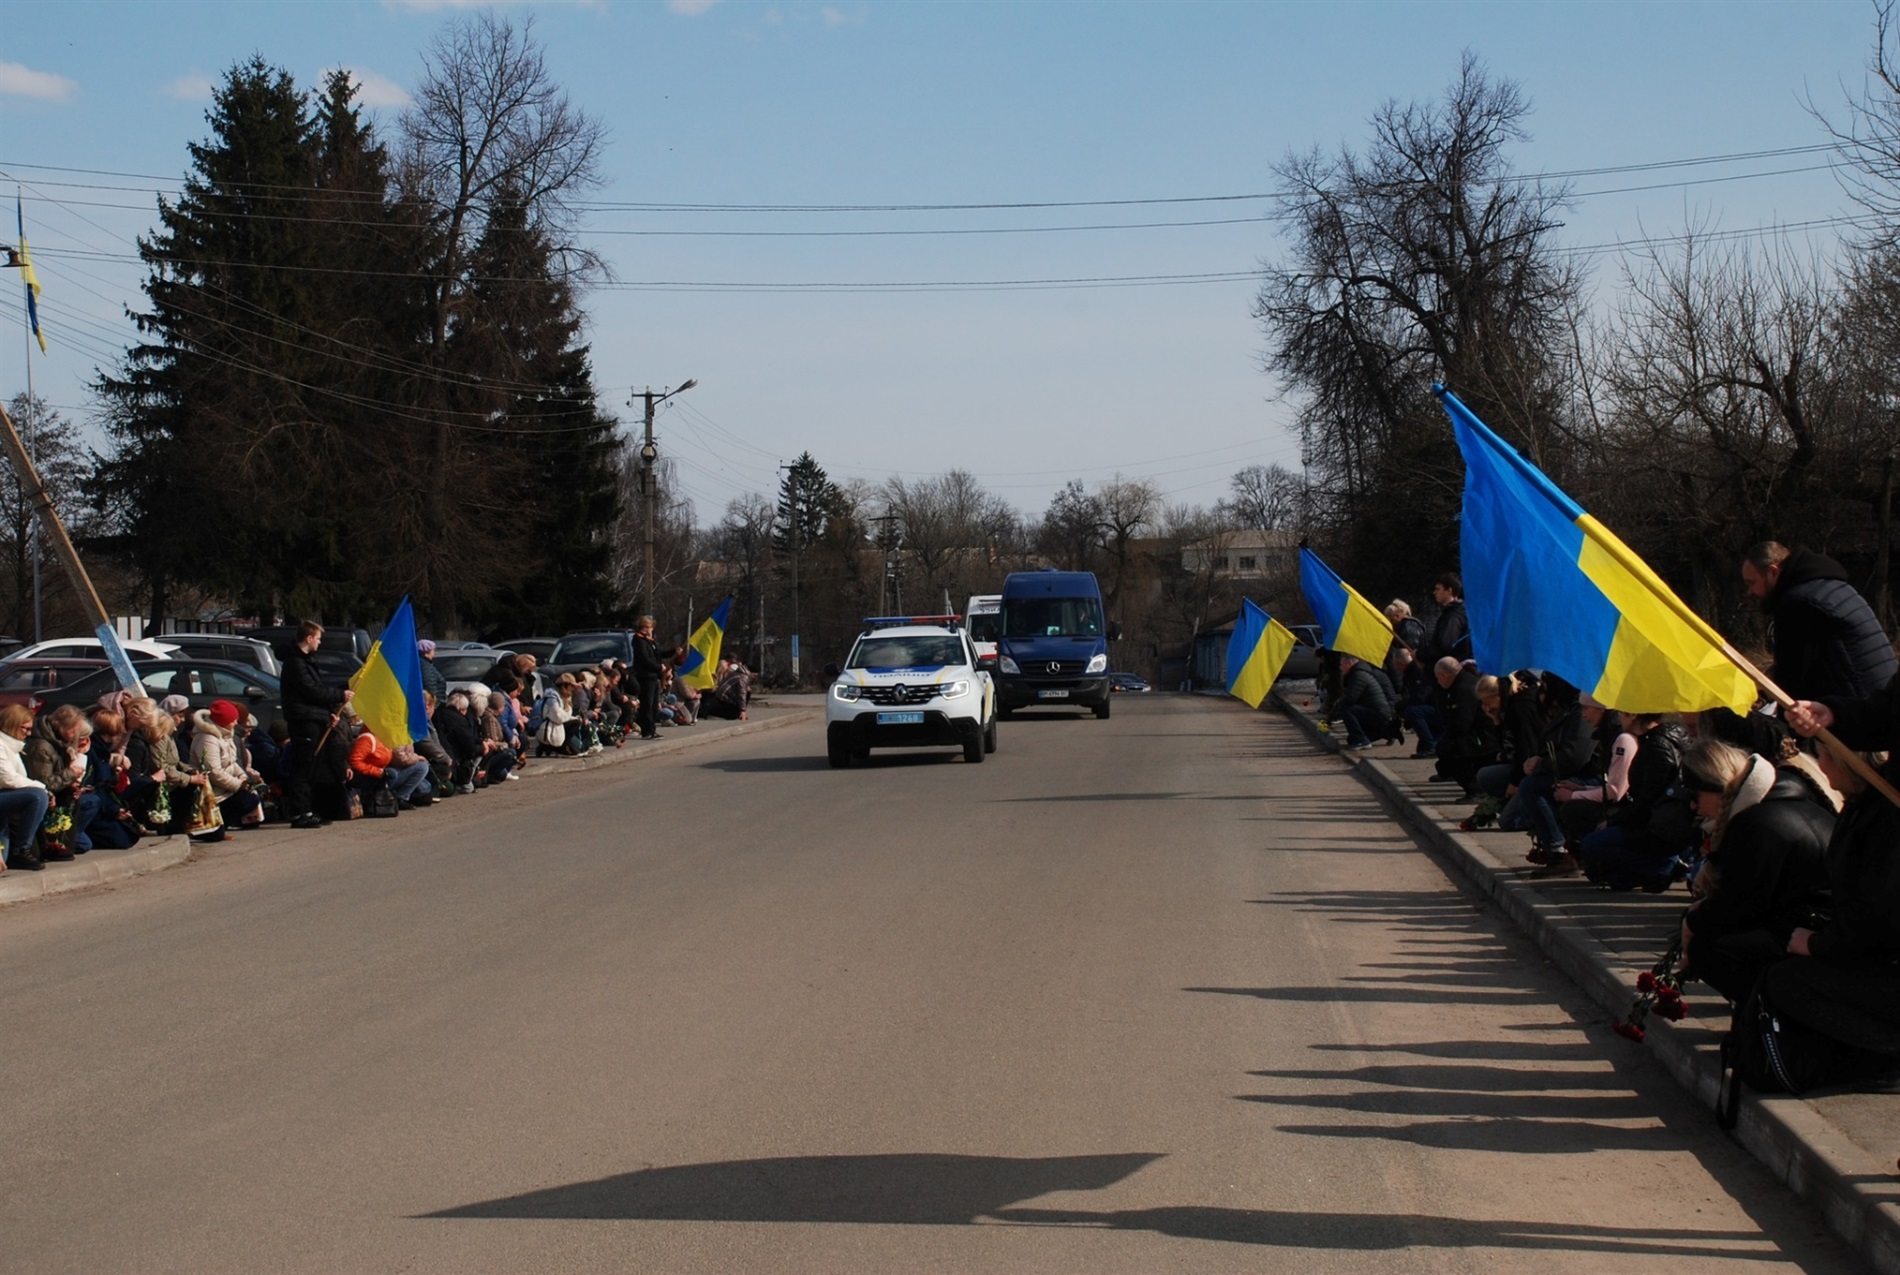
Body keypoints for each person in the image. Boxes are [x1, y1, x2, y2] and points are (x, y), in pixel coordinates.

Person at [1675, 740, 1835, 1003]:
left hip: (1814, 929)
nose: (1693, 806)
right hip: (1810, 918)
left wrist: (1692, 923)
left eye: (1694, 796)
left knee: (1707, 950)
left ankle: (1767, 1014)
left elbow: (1740, 906)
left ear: (1715, 788)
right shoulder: (1778, 799)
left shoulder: (1758, 823)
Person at [1744, 541, 1895, 703]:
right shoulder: (1829, 586)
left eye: (1751, 583)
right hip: (1884, 698)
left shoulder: (1799, 604)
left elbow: (1793, 683)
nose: (1749, 592)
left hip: (1863, 709)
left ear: (1772, 572)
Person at [1572, 710, 1695, 891]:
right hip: (1658, 819)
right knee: (1616, 880)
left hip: (1658, 824)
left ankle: (1664, 865)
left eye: (1622, 713)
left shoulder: (1657, 746)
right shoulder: (1655, 739)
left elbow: (1646, 799)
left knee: (1592, 844)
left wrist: (1614, 821)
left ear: (1633, 714)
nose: (1618, 718)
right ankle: (1652, 870)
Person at [282, 620, 353, 828]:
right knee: (302, 766)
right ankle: (299, 812)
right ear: (309, 638)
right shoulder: (295, 663)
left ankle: (309, 809)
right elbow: (311, 691)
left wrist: (327, 713)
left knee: (312, 767)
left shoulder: (306, 660)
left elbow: (315, 692)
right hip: (303, 721)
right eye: (319, 639)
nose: (320, 643)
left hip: (313, 718)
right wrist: (340, 694)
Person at [23, 703, 101, 858]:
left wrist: (72, 784)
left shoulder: (58, 742)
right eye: (74, 730)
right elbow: (44, 781)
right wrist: (71, 773)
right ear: (63, 726)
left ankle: (64, 844)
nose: (76, 734)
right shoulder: (42, 746)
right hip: (46, 797)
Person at [189, 700, 263, 830]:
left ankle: (222, 826)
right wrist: (237, 785)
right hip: (212, 791)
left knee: (253, 798)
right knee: (246, 800)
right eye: (233, 720)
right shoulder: (208, 739)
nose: (235, 723)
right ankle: (218, 826)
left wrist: (242, 777)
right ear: (223, 722)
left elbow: (232, 762)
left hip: (225, 787)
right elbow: (214, 772)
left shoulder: (225, 736)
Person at [0, 704, 50, 871]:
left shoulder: (12, 747)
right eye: (25, 729)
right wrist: (42, 788)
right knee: (38, 796)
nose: (28, 734)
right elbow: (8, 779)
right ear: (12, 724)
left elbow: (21, 779)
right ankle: (22, 849)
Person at [1335, 653, 1400, 750]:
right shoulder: (1356, 673)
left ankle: (1362, 741)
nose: (1340, 668)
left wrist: (1335, 710)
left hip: (1380, 712)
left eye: (1342, 664)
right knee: (1351, 739)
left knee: (1346, 709)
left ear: (1349, 664)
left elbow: (1350, 699)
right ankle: (1387, 732)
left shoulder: (1359, 675)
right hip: (1375, 710)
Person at [1425, 574, 1472, 666]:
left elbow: (1445, 645)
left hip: (1449, 668)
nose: (1435, 592)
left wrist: (1421, 654)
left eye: (1438, 589)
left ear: (1449, 591)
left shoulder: (1454, 615)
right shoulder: (1454, 612)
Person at [631, 614, 665, 740]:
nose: (652, 631)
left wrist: (673, 652)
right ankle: (646, 731)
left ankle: (652, 729)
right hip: (646, 676)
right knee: (647, 704)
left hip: (654, 676)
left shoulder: (649, 641)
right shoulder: (639, 641)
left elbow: (658, 653)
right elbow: (645, 659)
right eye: (650, 628)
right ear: (645, 627)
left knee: (654, 704)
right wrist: (659, 667)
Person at [417, 639, 448, 703]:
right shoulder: (425, 666)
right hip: (434, 704)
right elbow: (430, 686)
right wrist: (435, 703)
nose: (434, 654)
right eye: (433, 651)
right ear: (426, 653)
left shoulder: (425, 664)